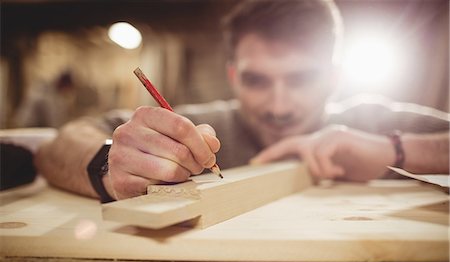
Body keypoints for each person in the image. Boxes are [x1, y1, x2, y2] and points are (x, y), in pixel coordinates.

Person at [35, 0, 449, 201]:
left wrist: (396, 148)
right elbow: (58, 145)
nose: (279, 105)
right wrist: (110, 165)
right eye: (256, 80)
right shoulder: (203, 128)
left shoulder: (372, 121)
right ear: (233, 75)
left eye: (301, 80)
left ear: (334, 77)